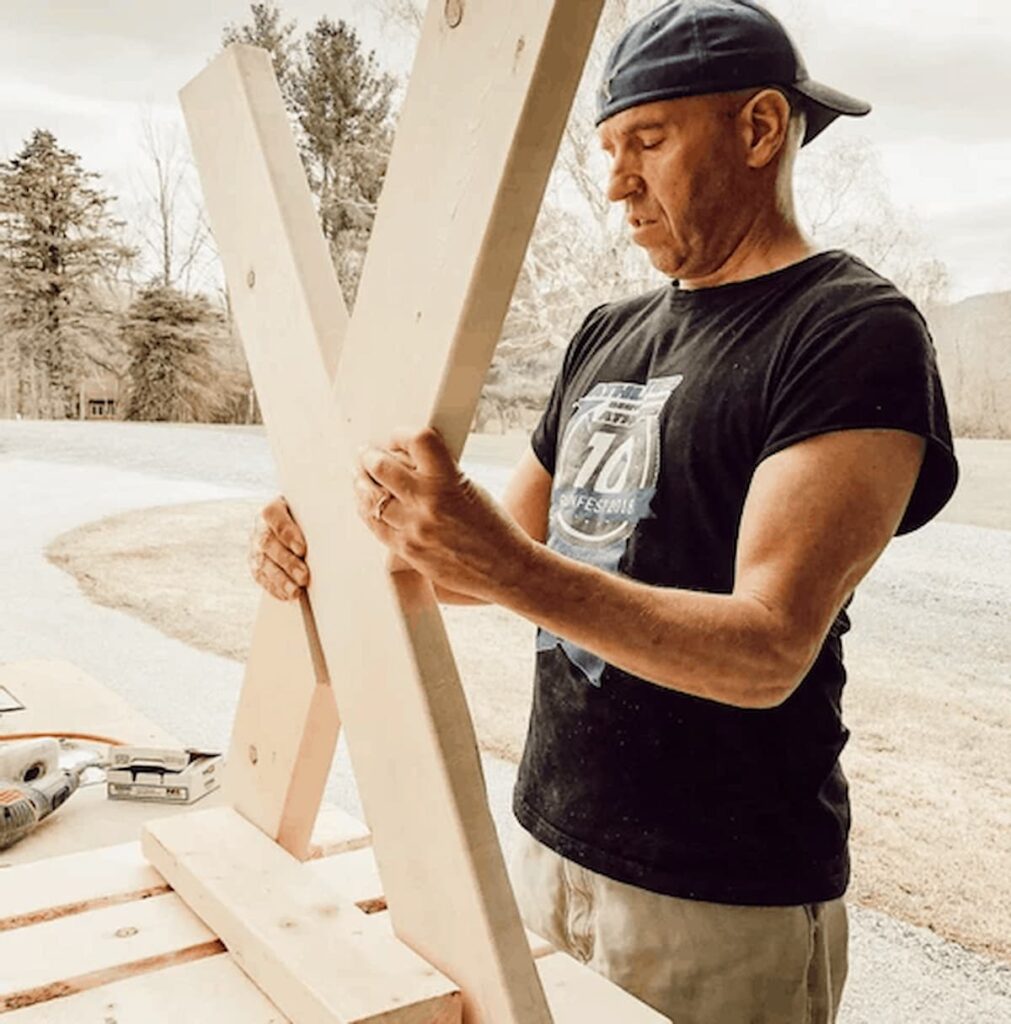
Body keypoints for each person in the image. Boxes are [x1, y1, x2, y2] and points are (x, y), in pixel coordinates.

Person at [249, 1, 958, 1020]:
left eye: (650, 142)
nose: (616, 181)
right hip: (546, 847)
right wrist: (321, 540)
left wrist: (504, 566)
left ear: (760, 130)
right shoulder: (605, 335)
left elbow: (768, 648)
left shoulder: (849, 331)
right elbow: (476, 559)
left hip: (723, 900)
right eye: (610, 149)